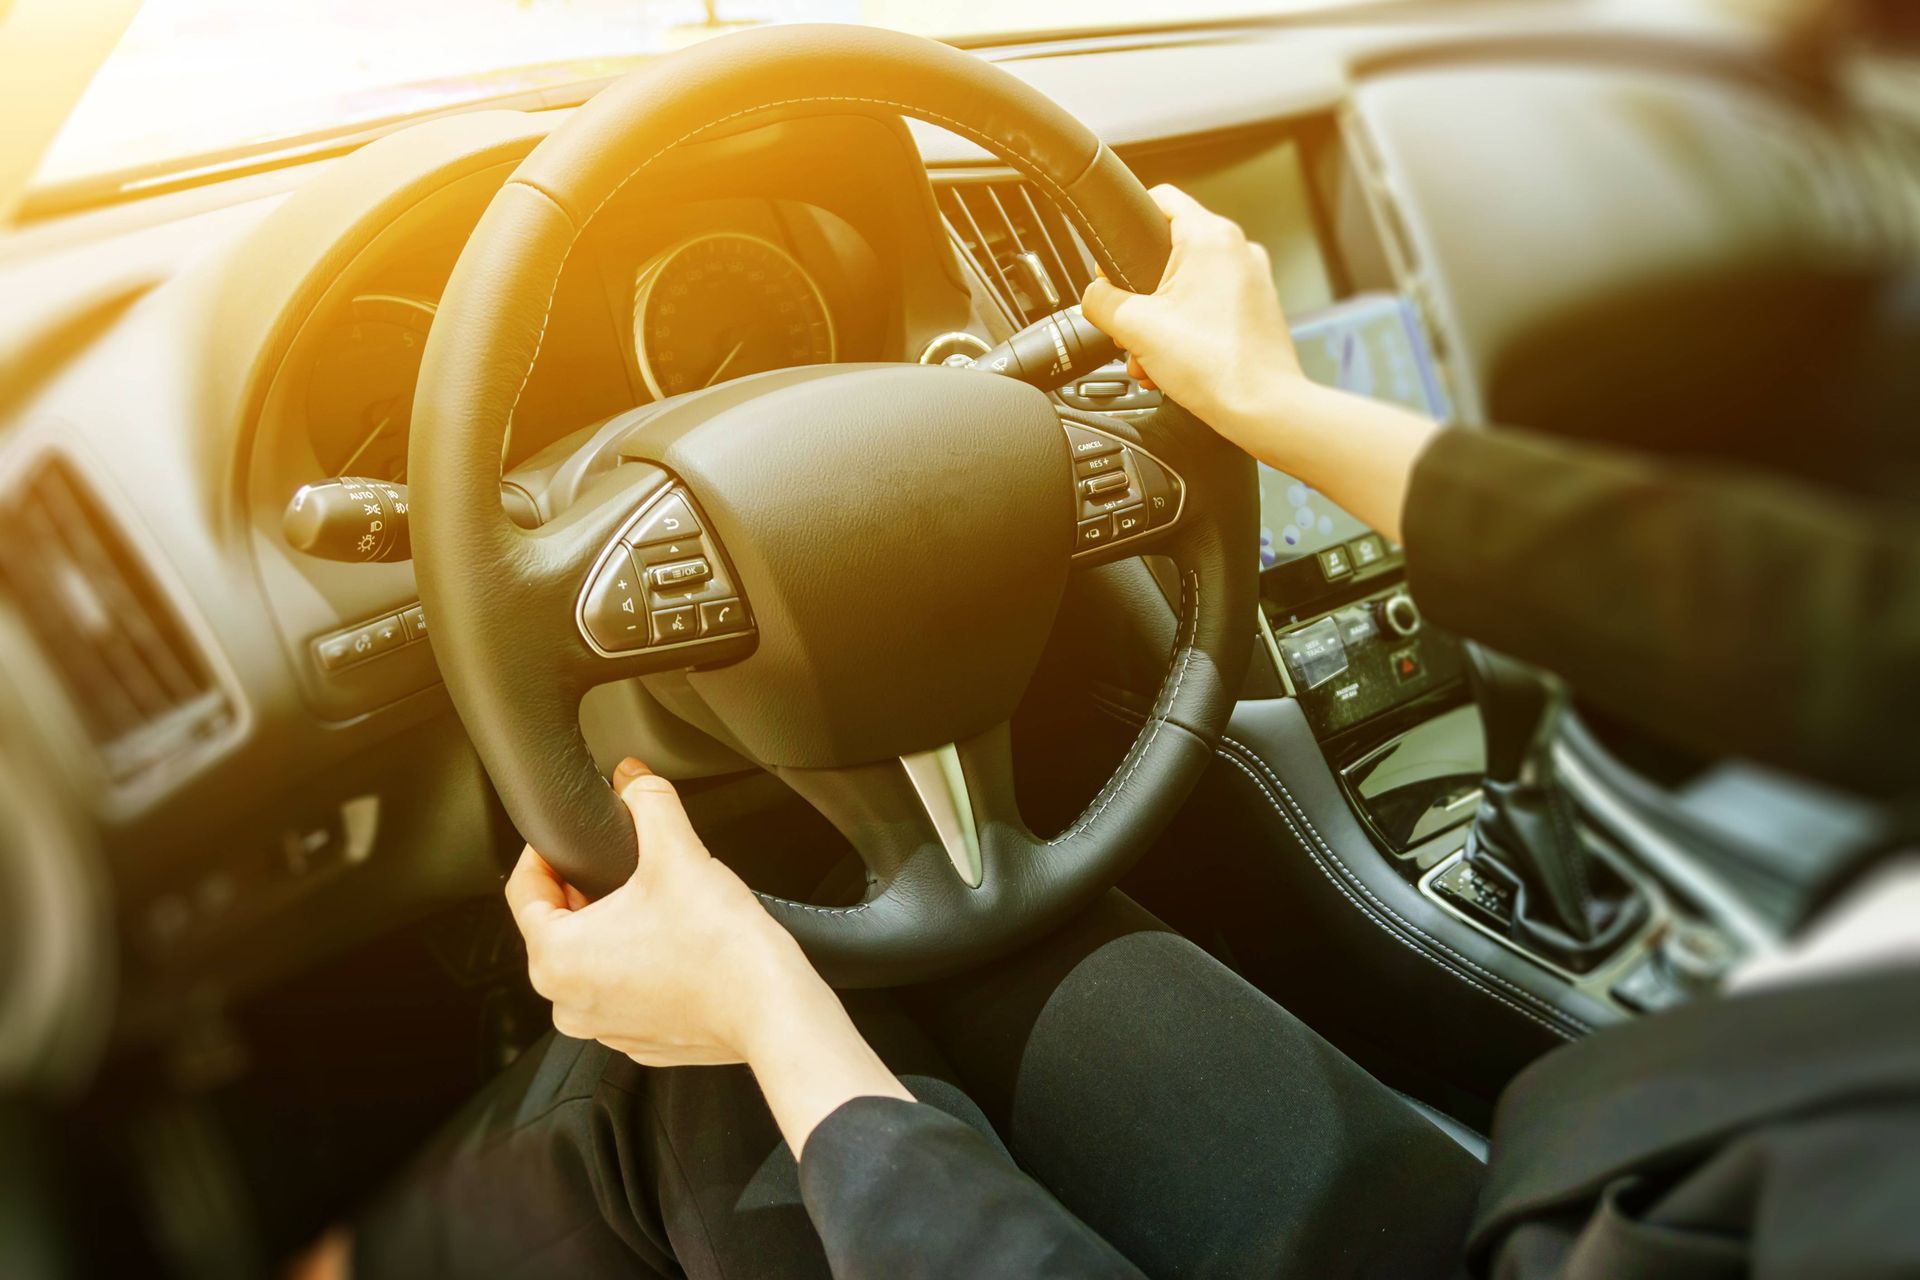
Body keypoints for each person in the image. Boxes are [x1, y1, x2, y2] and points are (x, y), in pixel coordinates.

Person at [316, 186, 1920, 1280]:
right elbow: (1856, 632)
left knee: (674, 1086)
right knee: (985, 947)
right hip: (1618, 1193)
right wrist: (1273, 407)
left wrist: (765, 1020)